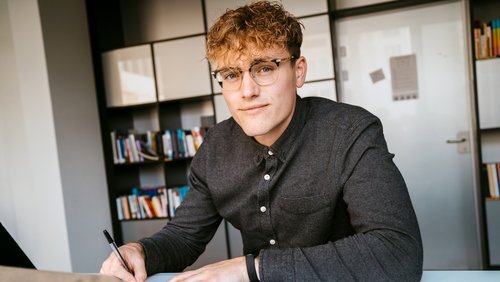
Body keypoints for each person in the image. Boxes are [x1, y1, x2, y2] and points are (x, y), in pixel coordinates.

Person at [100, 1, 423, 281]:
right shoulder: (215, 147)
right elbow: (184, 237)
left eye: (265, 68)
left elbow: (396, 251)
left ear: (298, 71)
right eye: (230, 75)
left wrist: (251, 270)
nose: (247, 90)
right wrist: (140, 251)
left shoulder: (349, 130)